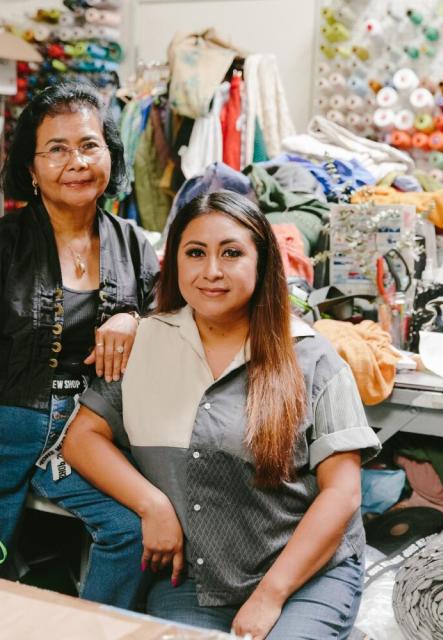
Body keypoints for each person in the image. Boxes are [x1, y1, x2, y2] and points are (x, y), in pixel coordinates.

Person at [62, 191, 381, 639]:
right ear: (174, 263)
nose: (211, 271)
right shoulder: (147, 344)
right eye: (195, 253)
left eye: (231, 253)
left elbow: (343, 495)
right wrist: (152, 505)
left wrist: (270, 596)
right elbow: (81, 437)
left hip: (304, 577)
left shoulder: (312, 357)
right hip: (196, 583)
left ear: (261, 262)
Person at [0, 82, 160, 609]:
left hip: (85, 436)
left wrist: (134, 320)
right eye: (57, 149)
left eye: (90, 145)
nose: (76, 162)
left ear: (110, 157)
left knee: (133, 532)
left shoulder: (134, 246)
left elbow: (175, 323)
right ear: (31, 167)